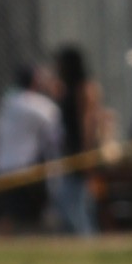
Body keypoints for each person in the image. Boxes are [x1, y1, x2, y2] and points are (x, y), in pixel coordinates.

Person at [0, 62, 63, 225]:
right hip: (22, 168)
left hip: (1, 166)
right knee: (23, 216)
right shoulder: (34, 104)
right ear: (35, 81)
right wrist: (53, 89)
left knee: (9, 214)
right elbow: (58, 122)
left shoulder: (9, 101)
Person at [47, 42, 107, 239]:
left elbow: (88, 123)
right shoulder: (67, 89)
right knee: (69, 201)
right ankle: (82, 238)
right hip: (67, 152)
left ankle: (87, 239)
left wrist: (87, 156)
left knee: (75, 203)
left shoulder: (84, 88)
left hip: (79, 153)